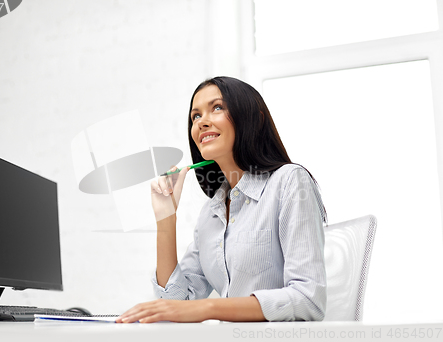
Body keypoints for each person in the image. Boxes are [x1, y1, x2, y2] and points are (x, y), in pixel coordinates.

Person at [116, 76, 327, 323]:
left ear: (254, 119)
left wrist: (210, 308)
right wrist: (165, 220)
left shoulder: (289, 181)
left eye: (217, 108)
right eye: (196, 116)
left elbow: (307, 300)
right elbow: (174, 306)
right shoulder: (211, 212)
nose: (201, 122)